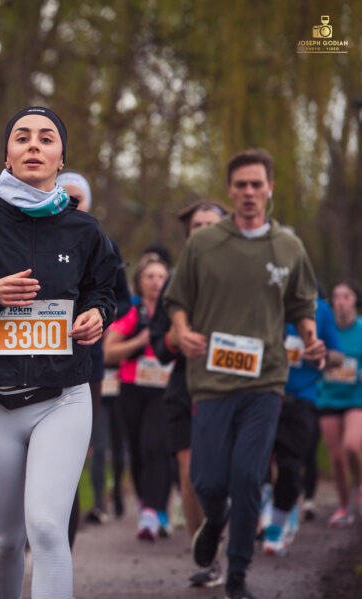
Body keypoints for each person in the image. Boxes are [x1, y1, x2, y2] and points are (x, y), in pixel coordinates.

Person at [0, 106, 117, 599]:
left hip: (63, 399)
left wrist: (98, 314)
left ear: (61, 158)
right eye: (22, 137)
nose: (34, 145)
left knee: (48, 527)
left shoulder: (84, 230)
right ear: (8, 158)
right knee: (7, 539)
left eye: (46, 138)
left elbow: (105, 289)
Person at [165, 148, 324, 599]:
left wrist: (310, 336)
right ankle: (214, 520)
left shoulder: (288, 247)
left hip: (265, 381)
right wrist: (183, 329)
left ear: (270, 189)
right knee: (209, 481)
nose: (250, 193)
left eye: (258, 184)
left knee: (249, 476)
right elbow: (177, 301)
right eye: (241, 185)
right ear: (231, 191)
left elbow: (301, 304)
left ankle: (237, 574)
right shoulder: (205, 243)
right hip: (212, 381)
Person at [149, 199, 227, 586]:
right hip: (185, 389)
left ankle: (232, 540)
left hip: (234, 389)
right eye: (197, 225)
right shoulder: (174, 283)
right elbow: (159, 347)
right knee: (191, 475)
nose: (204, 230)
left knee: (225, 476)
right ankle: (208, 558)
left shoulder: (243, 277)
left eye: (212, 224)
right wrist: (178, 338)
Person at [57, 171, 131, 528]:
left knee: (72, 452)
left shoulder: (104, 244)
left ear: (89, 203)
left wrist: (99, 317)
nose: (72, 204)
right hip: (38, 359)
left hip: (89, 363)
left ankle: (64, 529)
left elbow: (122, 300)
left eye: (78, 199)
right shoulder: (37, 238)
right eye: (64, 196)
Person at [260, 279, 341, 556]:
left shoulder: (320, 309)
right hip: (260, 394)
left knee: (291, 465)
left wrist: (319, 353)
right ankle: (260, 512)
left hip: (301, 397)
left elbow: (337, 357)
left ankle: (276, 530)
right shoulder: (260, 300)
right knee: (254, 463)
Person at [104, 252, 172, 541]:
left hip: (165, 390)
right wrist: (140, 341)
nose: (156, 282)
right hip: (132, 388)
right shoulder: (133, 312)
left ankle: (152, 513)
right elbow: (108, 351)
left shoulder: (175, 312)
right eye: (150, 277)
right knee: (138, 448)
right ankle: (150, 505)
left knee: (155, 446)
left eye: (161, 277)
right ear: (139, 282)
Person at [318, 281, 362, 527]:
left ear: (355, 300)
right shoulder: (325, 329)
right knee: (336, 458)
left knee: (352, 447)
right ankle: (344, 506)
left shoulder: (361, 330)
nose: (340, 301)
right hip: (329, 396)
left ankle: (359, 486)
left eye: (346, 296)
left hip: (356, 397)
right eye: (336, 296)